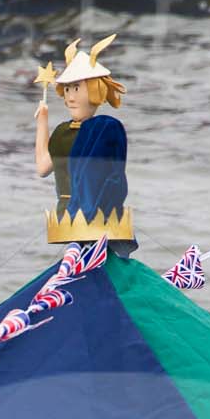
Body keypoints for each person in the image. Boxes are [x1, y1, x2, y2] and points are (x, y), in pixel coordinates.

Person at [33, 34, 132, 255]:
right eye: (67, 89)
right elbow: (42, 168)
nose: (70, 97)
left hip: (99, 216)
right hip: (67, 217)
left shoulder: (103, 132)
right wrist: (42, 123)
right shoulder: (61, 132)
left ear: (95, 90)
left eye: (76, 88)